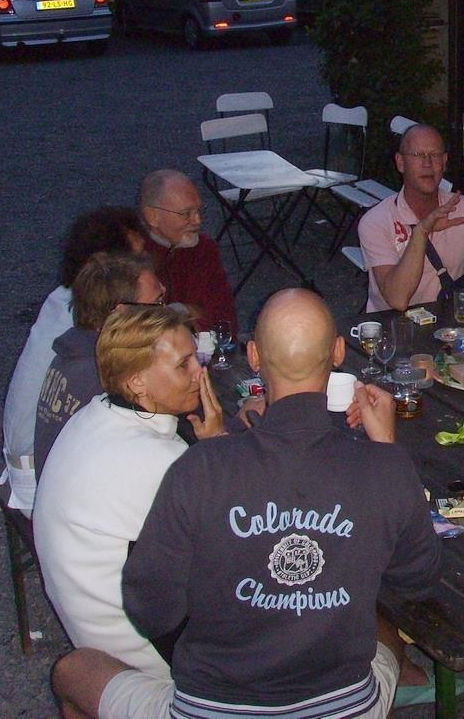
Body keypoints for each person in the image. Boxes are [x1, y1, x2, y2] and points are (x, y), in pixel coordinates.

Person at [51, 289, 442, 718]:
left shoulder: (197, 468)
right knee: (385, 632)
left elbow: (152, 611)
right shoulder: (386, 466)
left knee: (72, 670)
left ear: (254, 356)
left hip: (211, 709)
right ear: (337, 352)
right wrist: (385, 449)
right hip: (343, 709)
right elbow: (416, 580)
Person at [34, 306, 225, 687]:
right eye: (183, 364)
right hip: (142, 654)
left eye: (196, 358)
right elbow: (240, 531)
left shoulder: (93, 414)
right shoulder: (160, 461)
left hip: (90, 620)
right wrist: (219, 447)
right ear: (137, 382)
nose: (200, 373)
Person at [0, 206, 145, 515]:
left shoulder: (62, 299)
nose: (145, 271)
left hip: (27, 461)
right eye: (134, 262)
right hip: (42, 482)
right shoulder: (93, 323)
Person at [33, 251, 164, 485]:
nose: (165, 312)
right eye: (158, 304)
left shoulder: (72, 354)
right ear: (120, 312)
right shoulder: (106, 374)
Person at [358, 123, 464, 311]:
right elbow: (398, 299)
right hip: (394, 325)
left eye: (435, 155)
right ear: (400, 162)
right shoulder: (375, 222)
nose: (427, 163)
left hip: (450, 323)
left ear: (444, 161)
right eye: (418, 155)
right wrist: (421, 232)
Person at [138, 169, 238, 335]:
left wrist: (176, 311)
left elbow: (225, 321)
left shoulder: (205, 248)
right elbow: (134, 325)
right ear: (152, 216)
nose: (198, 220)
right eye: (186, 214)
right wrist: (191, 311)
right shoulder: (132, 253)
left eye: (199, 211)